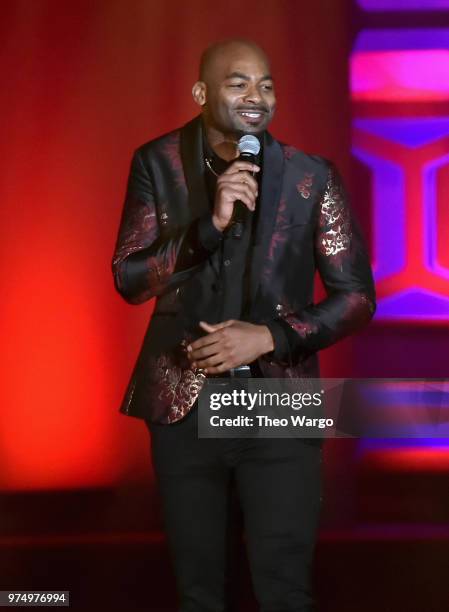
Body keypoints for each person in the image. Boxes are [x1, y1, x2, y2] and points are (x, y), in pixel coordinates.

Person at [111, 38, 376, 612]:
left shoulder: (312, 177)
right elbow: (131, 280)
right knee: (200, 591)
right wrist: (209, 226)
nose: (256, 96)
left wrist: (270, 337)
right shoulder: (157, 162)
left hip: (279, 400)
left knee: (284, 588)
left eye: (267, 84)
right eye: (238, 83)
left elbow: (356, 298)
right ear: (202, 92)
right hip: (186, 401)